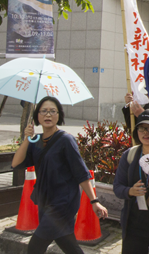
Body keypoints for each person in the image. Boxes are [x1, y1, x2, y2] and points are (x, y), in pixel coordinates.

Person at [12, 96, 108, 254]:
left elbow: (81, 173)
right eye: (43, 111)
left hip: (63, 201)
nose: (48, 115)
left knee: (35, 246)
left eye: (52, 111)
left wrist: (94, 201)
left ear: (59, 115)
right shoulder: (36, 140)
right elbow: (16, 164)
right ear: (37, 116)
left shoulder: (66, 140)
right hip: (45, 200)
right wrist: (27, 139)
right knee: (66, 241)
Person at [113, 109, 149, 254]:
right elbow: (117, 187)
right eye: (141, 128)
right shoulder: (129, 156)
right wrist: (130, 191)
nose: (145, 132)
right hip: (135, 226)